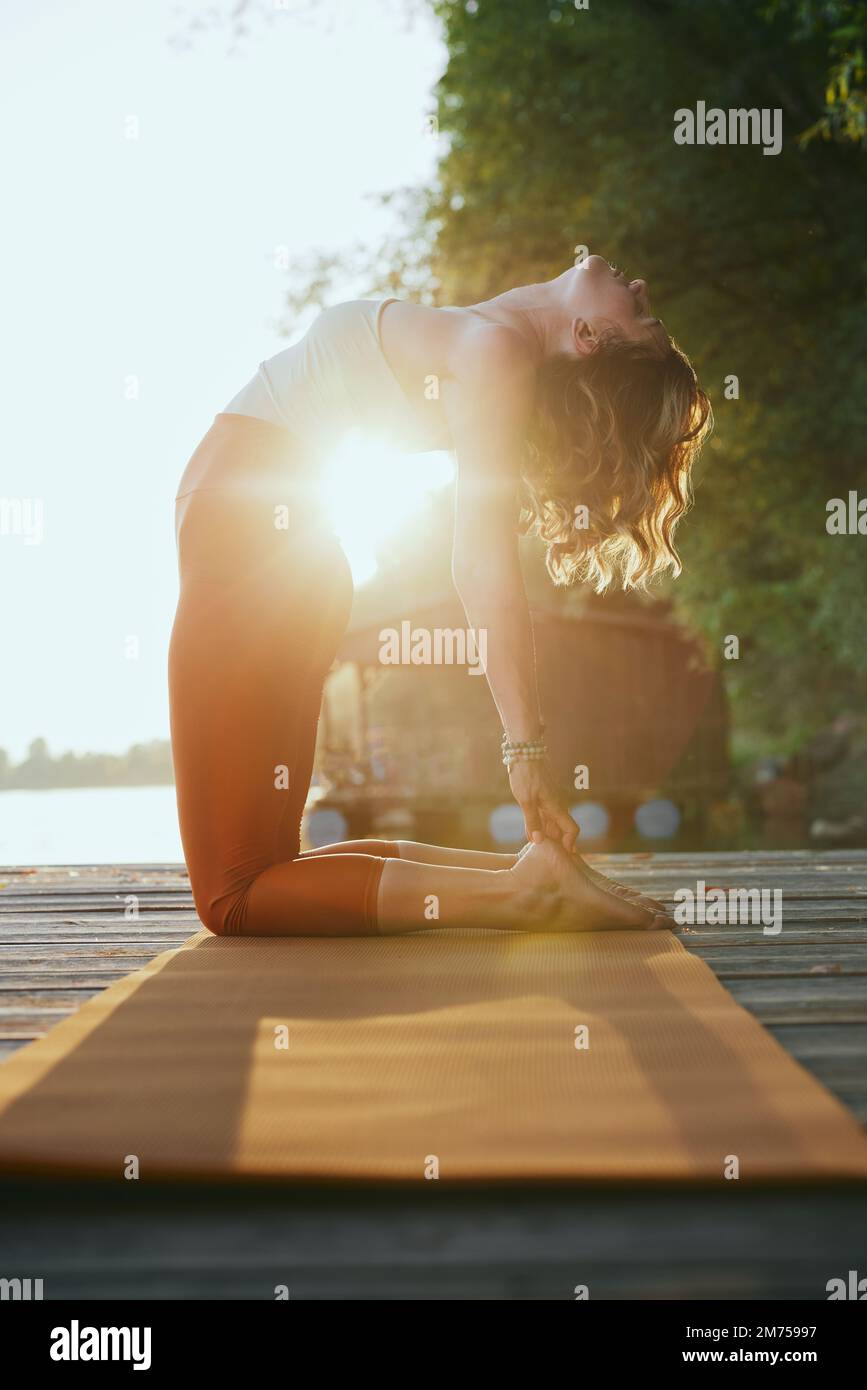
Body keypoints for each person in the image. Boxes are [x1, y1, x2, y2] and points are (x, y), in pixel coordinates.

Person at [169, 254, 711, 937]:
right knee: (268, 865)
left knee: (233, 896)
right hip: (276, 561)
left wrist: (524, 751)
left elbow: (482, 562)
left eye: (640, 315)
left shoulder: (492, 353)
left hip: (247, 551)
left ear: (588, 338)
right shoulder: (485, 339)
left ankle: (527, 897)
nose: (640, 286)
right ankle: (528, 881)